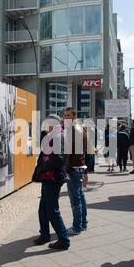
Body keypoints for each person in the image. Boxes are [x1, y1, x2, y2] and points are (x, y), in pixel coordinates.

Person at [32, 114, 70, 250]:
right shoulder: (53, 136)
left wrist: (43, 168)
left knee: (52, 210)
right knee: (43, 208)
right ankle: (45, 234)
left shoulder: (58, 137)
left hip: (53, 177)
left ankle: (64, 239)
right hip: (48, 177)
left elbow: (58, 159)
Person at [63, 107, 88, 235]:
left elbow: (73, 153)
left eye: (68, 115)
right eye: (65, 115)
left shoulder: (75, 130)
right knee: (80, 196)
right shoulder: (76, 128)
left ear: (74, 116)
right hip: (77, 167)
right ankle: (83, 224)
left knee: (75, 199)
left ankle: (77, 226)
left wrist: (66, 169)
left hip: (73, 168)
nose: (66, 117)